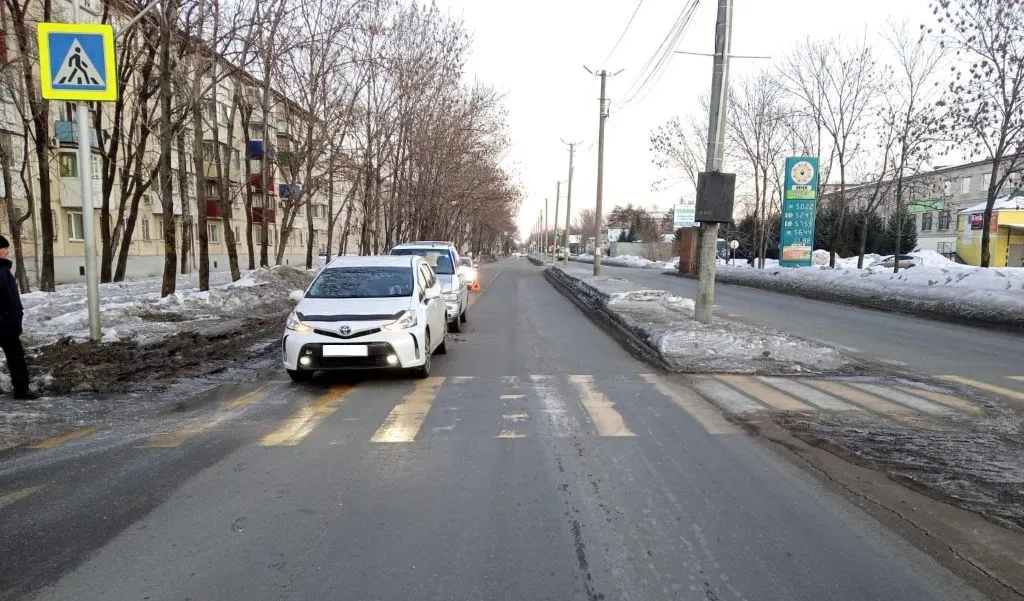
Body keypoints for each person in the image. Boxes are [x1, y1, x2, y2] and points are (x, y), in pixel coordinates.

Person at [0, 235, 36, 399]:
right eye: (4, 248)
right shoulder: (1, 271)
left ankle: (22, 389)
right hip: (5, 322)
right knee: (16, 358)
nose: (7, 251)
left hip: (8, 321)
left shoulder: (4, 270)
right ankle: (21, 390)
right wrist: (9, 317)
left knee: (16, 357)